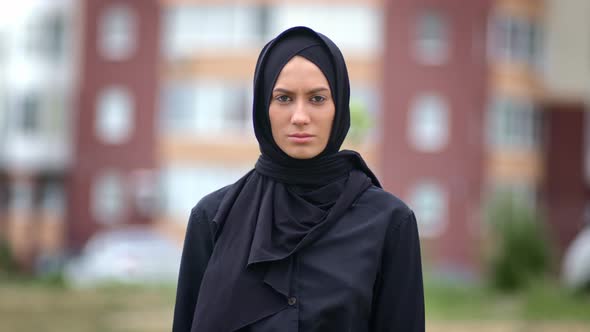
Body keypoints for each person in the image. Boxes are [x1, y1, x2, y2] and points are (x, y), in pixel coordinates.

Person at [172, 26, 425, 332]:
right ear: (263, 107)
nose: (300, 116)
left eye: (317, 99)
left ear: (338, 106)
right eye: (284, 98)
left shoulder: (389, 223)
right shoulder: (212, 219)